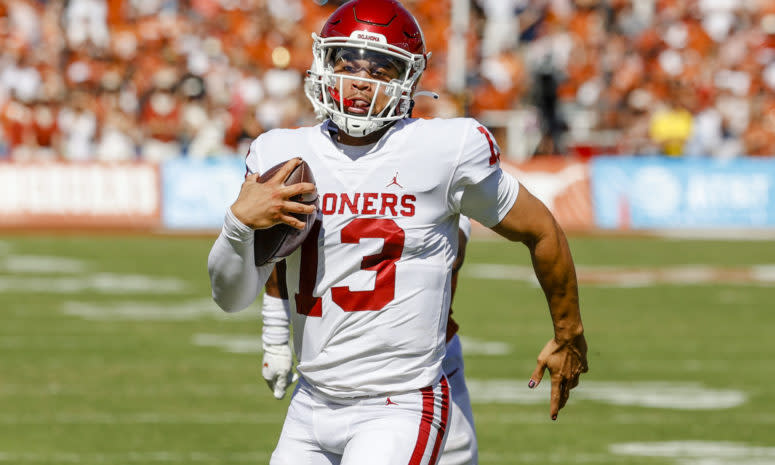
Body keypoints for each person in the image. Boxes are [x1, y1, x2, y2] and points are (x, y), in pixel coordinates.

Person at [207, 1, 588, 464]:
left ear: (409, 80)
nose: (362, 82)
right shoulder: (282, 153)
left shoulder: (442, 151)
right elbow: (232, 295)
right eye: (347, 64)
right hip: (310, 401)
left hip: (399, 403)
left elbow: (541, 229)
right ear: (323, 65)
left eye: (382, 69)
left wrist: (569, 333)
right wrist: (238, 223)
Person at [259, 217, 479, 465]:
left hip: (418, 371)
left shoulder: (433, 181)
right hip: (325, 374)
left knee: (454, 455)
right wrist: (275, 333)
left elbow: (455, 249)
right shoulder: (316, 179)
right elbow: (279, 239)